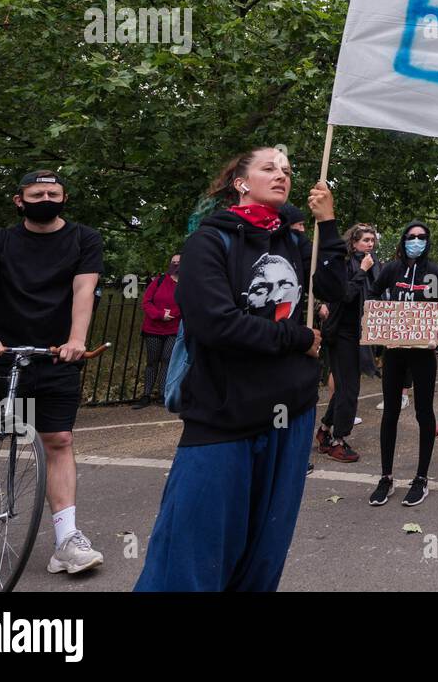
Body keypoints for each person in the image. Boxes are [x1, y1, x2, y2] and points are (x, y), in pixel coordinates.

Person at [134, 150, 333, 591]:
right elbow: (214, 323)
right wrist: (295, 339)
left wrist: (328, 223)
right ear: (240, 182)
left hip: (292, 414)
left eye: (287, 171)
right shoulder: (208, 242)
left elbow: (339, 288)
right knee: (189, 554)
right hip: (224, 416)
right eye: (268, 168)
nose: (281, 174)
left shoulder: (294, 242)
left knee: (264, 553)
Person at [0, 169, 105, 582]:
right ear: (19, 200)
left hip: (54, 356)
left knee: (59, 440)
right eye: (36, 193)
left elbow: (83, 291)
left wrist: (76, 340)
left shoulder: (83, 239)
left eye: (53, 193)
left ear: (65, 197)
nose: (45, 198)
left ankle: (67, 540)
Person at [365, 220, 438, 507]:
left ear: (427, 241)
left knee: (424, 412)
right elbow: (373, 295)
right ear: (403, 240)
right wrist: (382, 327)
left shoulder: (437, 272)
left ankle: (421, 478)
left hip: (423, 352)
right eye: (411, 237)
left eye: (421, 237)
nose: (416, 241)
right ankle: (386, 477)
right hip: (394, 350)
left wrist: (436, 337)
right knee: (390, 412)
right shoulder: (391, 269)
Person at [315, 223, 380, 463]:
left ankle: (324, 431)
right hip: (341, 333)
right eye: (365, 240)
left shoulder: (374, 265)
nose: (370, 244)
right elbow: (345, 295)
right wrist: (362, 270)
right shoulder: (345, 264)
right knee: (349, 389)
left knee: (345, 388)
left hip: (361, 334)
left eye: (372, 240)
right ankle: (338, 441)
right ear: (353, 243)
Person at [135, 253, 181, 409]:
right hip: (153, 328)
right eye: (173, 262)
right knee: (152, 361)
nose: (176, 265)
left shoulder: (187, 283)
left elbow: (188, 303)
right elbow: (146, 302)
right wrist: (160, 315)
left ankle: (163, 394)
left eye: (179, 262)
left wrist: (174, 315)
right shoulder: (159, 281)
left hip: (173, 329)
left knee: (167, 360)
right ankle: (146, 394)